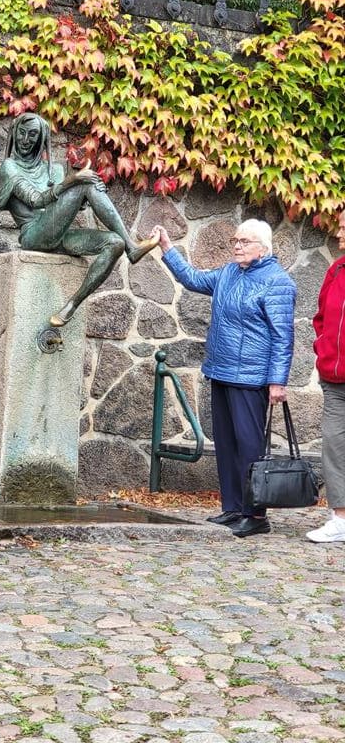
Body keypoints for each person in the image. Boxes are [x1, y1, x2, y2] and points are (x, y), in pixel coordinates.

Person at [152, 219, 297, 538]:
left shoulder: (277, 282)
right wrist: (167, 248)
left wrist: (277, 381)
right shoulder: (229, 274)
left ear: (264, 247)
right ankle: (232, 508)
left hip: (251, 376)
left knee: (249, 447)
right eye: (236, 240)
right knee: (227, 443)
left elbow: (282, 337)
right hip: (221, 370)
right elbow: (191, 278)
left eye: (245, 241)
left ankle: (255, 514)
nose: (237, 245)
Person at [0, 113, 159, 327]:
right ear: (15, 133)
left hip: (58, 235)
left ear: (40, 139)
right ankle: (133, 247)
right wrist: (75, 181)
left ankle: (71, 306)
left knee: (114, 243)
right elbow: (36, 200)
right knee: (84, 183)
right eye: (22, 133)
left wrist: (89, 194)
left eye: (33, 135)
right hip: (33, 235)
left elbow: (59, 207)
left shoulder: (53, 170)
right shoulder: (9, 167)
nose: (26, 140)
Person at [306, 209, 345, 543]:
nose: (339, 234)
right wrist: (322, 350)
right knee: (334, 446)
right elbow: (320, 317)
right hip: (334, 379)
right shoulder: (336, 269)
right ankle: (340, 518)